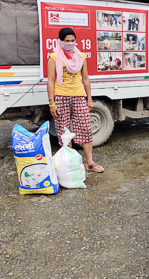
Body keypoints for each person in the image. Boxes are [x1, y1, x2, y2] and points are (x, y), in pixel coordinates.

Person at [47, 27, 104, 173]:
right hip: (60, 97)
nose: (70, 43)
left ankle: (89, 162)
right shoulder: (54, 57)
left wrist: (89, 99)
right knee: (64, 131)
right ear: (60, 42)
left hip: (78, 96)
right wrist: (52, 103)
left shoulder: (81, 57)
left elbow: (85, 79)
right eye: (67, 41)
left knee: (85, 127)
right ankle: (70, 164)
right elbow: (51, 80)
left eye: (73, 40)